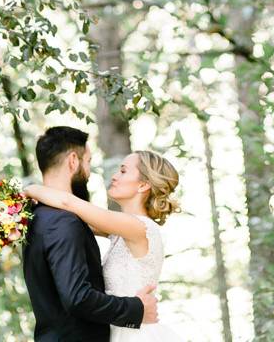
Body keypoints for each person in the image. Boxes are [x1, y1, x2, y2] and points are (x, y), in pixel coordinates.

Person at [26, 139, 183, 341]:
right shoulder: (121, 230)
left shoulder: (139, 227)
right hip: (119, 329)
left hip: (136, 333)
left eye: (124, 171)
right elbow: (72, 218)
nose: (115, 176)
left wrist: (29, 190)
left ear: (143, 184)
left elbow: (68, 202)